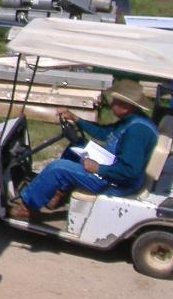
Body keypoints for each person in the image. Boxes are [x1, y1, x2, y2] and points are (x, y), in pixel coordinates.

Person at [11, 78, 158, 220]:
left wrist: (98, 169)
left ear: (126, 106)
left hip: (116, 183)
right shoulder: (133, 120)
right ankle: (58, 194)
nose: (111, 104)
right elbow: (105, 133)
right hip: (115, 169)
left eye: (115, 101)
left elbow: (130, 171)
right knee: (76, 147)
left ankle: (27, 207)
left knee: (57, 168)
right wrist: (76, 119)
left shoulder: (137, 132)